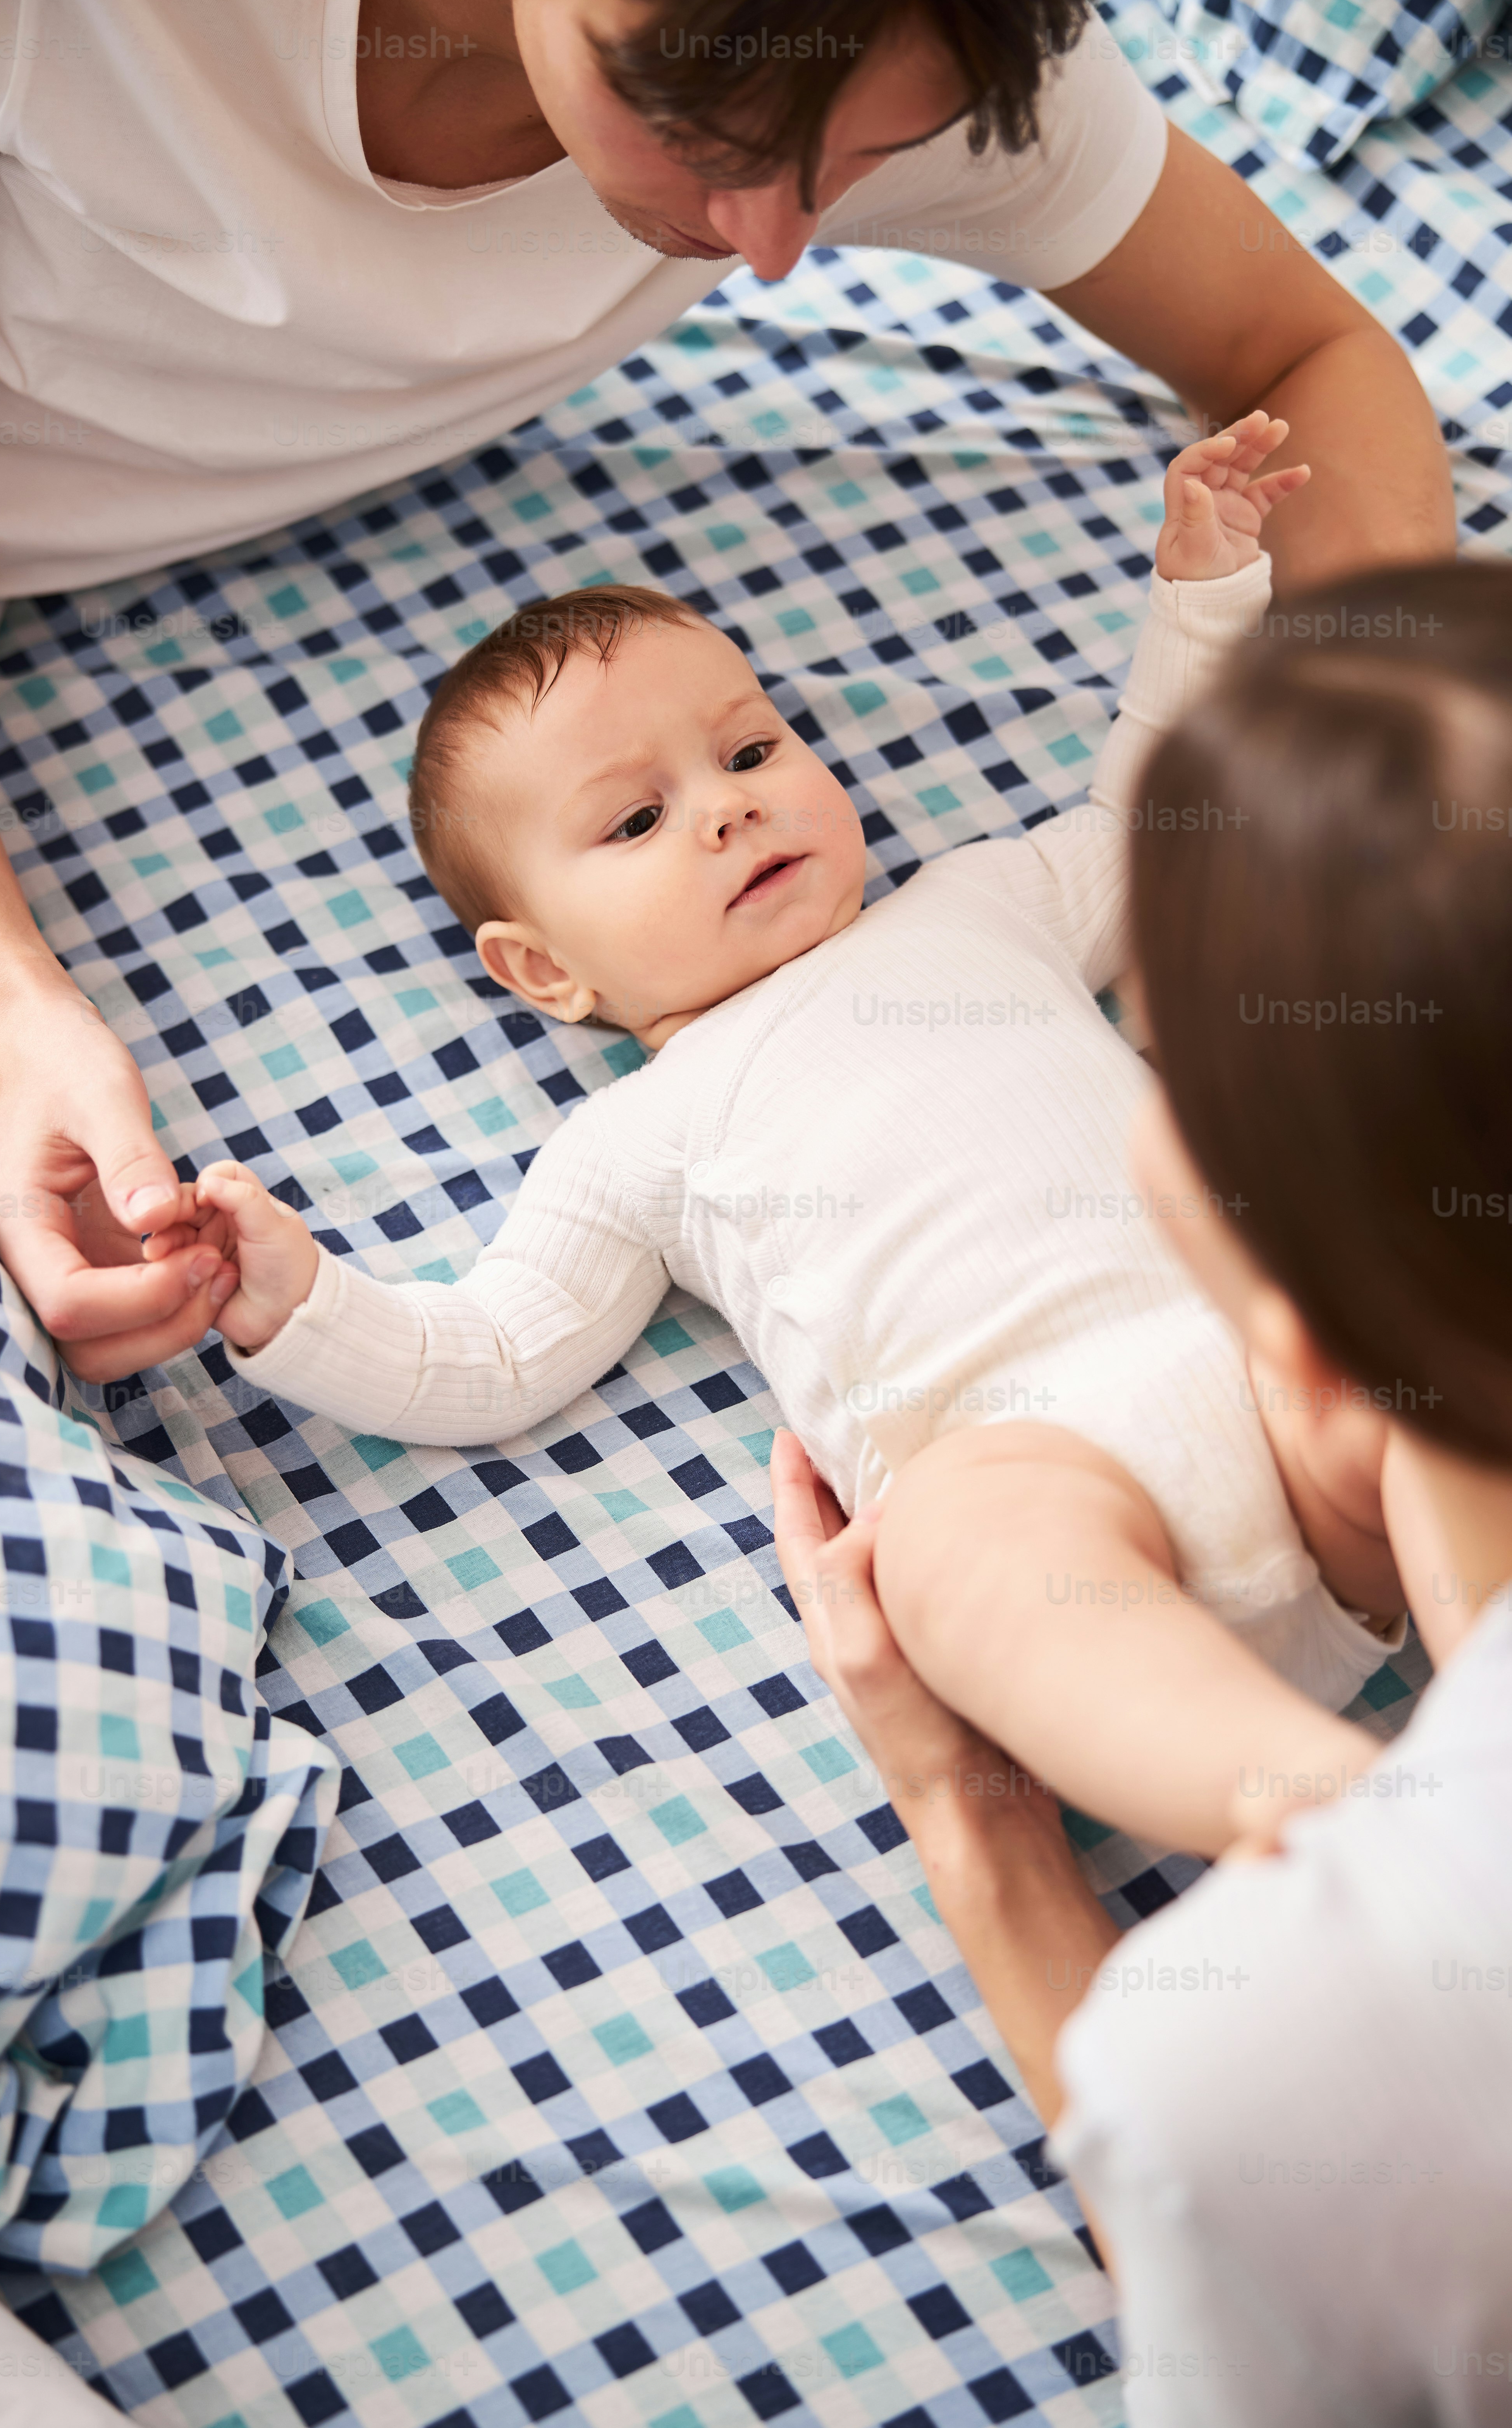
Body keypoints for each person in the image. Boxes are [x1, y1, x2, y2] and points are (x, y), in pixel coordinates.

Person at [0, 0, 1450, 1381]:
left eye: (855, 165)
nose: (774, 247)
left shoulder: (940, 31)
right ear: (536, 969)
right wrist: (19, 1015)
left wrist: (1350, 841)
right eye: (706, 137)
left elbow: (1305, 354)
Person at [125, 416, 1409, 1858]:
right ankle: (1334, 1824)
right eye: (637, 822)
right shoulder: (636, 1137)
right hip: (1037, 1480)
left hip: (1274, 1372)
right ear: (546, 970)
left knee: (1411, 1307)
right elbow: (492, 1351)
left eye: (749, 748)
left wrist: (1206, 592)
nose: (729, 806)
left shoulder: (981, 902)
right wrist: (296, 1301)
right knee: (947, 1546)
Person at [771, 557, 1512, 2428]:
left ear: (1285, 1278)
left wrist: (978, 1832)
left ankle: (1316, 1787)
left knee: (962, 1534)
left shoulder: (1275, 2054)